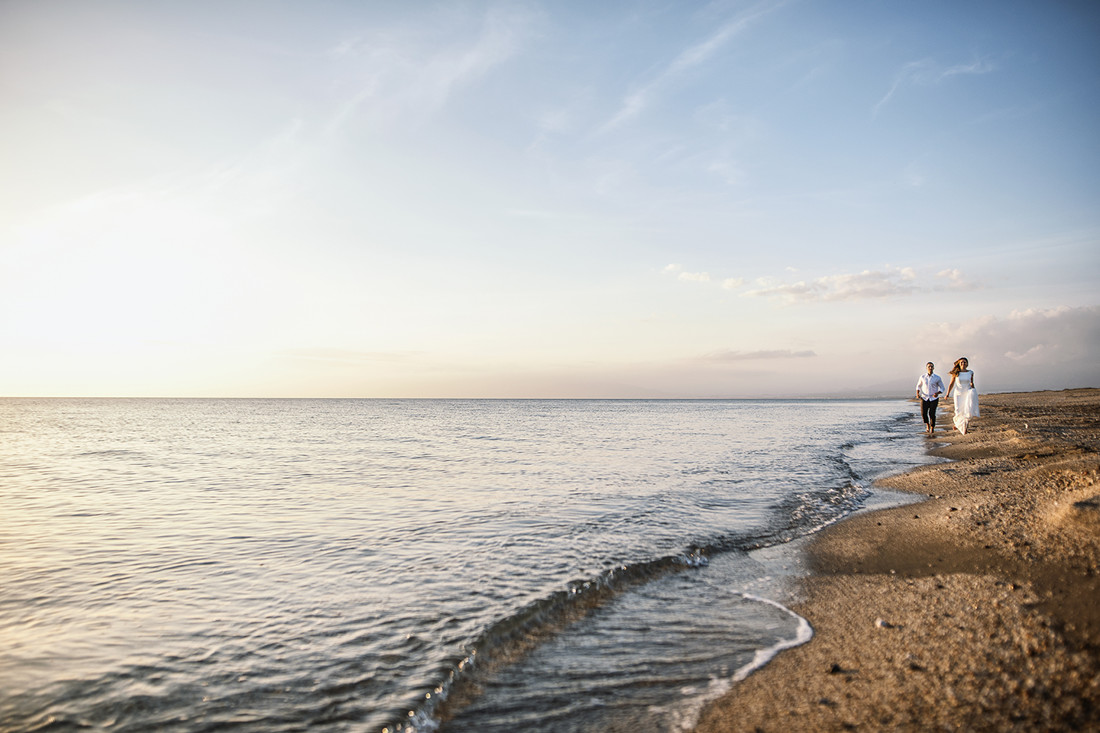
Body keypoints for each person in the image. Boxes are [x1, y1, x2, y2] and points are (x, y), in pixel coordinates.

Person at [945, 357, 979, 435]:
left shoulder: (970, 372)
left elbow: (971, 382)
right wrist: (947, 394)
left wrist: (973, 387)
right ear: (959, 364)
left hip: (967, 393)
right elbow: (951, 384)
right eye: (961, 362)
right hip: (958, 394)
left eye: (964, 362)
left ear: (967, 364)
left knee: (967, 410)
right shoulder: (956, 373)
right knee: (958, 410)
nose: (963, 364)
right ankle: (957, 423)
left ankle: (964, 428)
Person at [915, 362, 945, 435]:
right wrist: (917, 393)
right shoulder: (922, 377)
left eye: (931, 366)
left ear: (933, 368)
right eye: (929, 366)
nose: (930, 368)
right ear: (926, 368)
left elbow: (942, 388)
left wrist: (937, 393)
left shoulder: (937, 378)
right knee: (923, 413)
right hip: (924, 397)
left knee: (932, 413)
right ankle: (927, 425)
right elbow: (918, 386)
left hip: (933, 398)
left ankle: (932, 427)